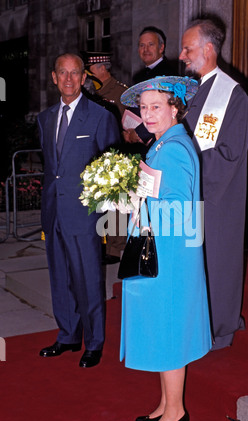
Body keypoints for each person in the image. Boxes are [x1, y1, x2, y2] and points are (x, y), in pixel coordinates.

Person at [119, 76, 212, 421]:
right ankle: (165, 403)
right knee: (162, 330)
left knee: (169, 334)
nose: (148, 114)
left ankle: (175, 412)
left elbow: (178, 209)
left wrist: (135, 202)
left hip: (169, 260)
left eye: (156, 106)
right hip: (163, 253)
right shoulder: (163, 144)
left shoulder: (173, 148)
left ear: (175, 107)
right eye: (143, 108)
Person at [37, 53, 120, 367]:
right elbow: (52, 168)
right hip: (53, 210)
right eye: (63, 73)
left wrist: (102, 212)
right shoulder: (45, 119)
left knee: (87, 278)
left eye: (75, 73)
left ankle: (94, 341)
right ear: (54, 77)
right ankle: (68, 335)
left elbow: (112, 168)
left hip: (85, 214)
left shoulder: (100, 116)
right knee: (60, 277)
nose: (69, 79)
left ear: (84, 78)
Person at [179, 18, 248, 350]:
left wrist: (184, 166)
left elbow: (228, 155)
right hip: (190, 193)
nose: (182, 55)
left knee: (217, 262)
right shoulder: (192, 90)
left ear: (208, 49)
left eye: (188, 48)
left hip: (216, 197)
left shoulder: (232, 94)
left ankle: (219, 329)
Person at [83, 51, 128, 264]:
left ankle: (115, 248)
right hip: (95, 154)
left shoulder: (120, 92)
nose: (87, 73)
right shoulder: (89, 92)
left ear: (102, 68)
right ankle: (102, 243)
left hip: (116, 155)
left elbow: (128, 123)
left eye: (90, 68)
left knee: (117, 204)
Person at [125, 26, 178, 147]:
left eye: (150, 45)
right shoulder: (139, 76)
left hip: (159, 140)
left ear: (161, 47)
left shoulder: (168, 75)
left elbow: (165, 111)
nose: (146, 49)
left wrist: (139, 133)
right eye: (142, 45)